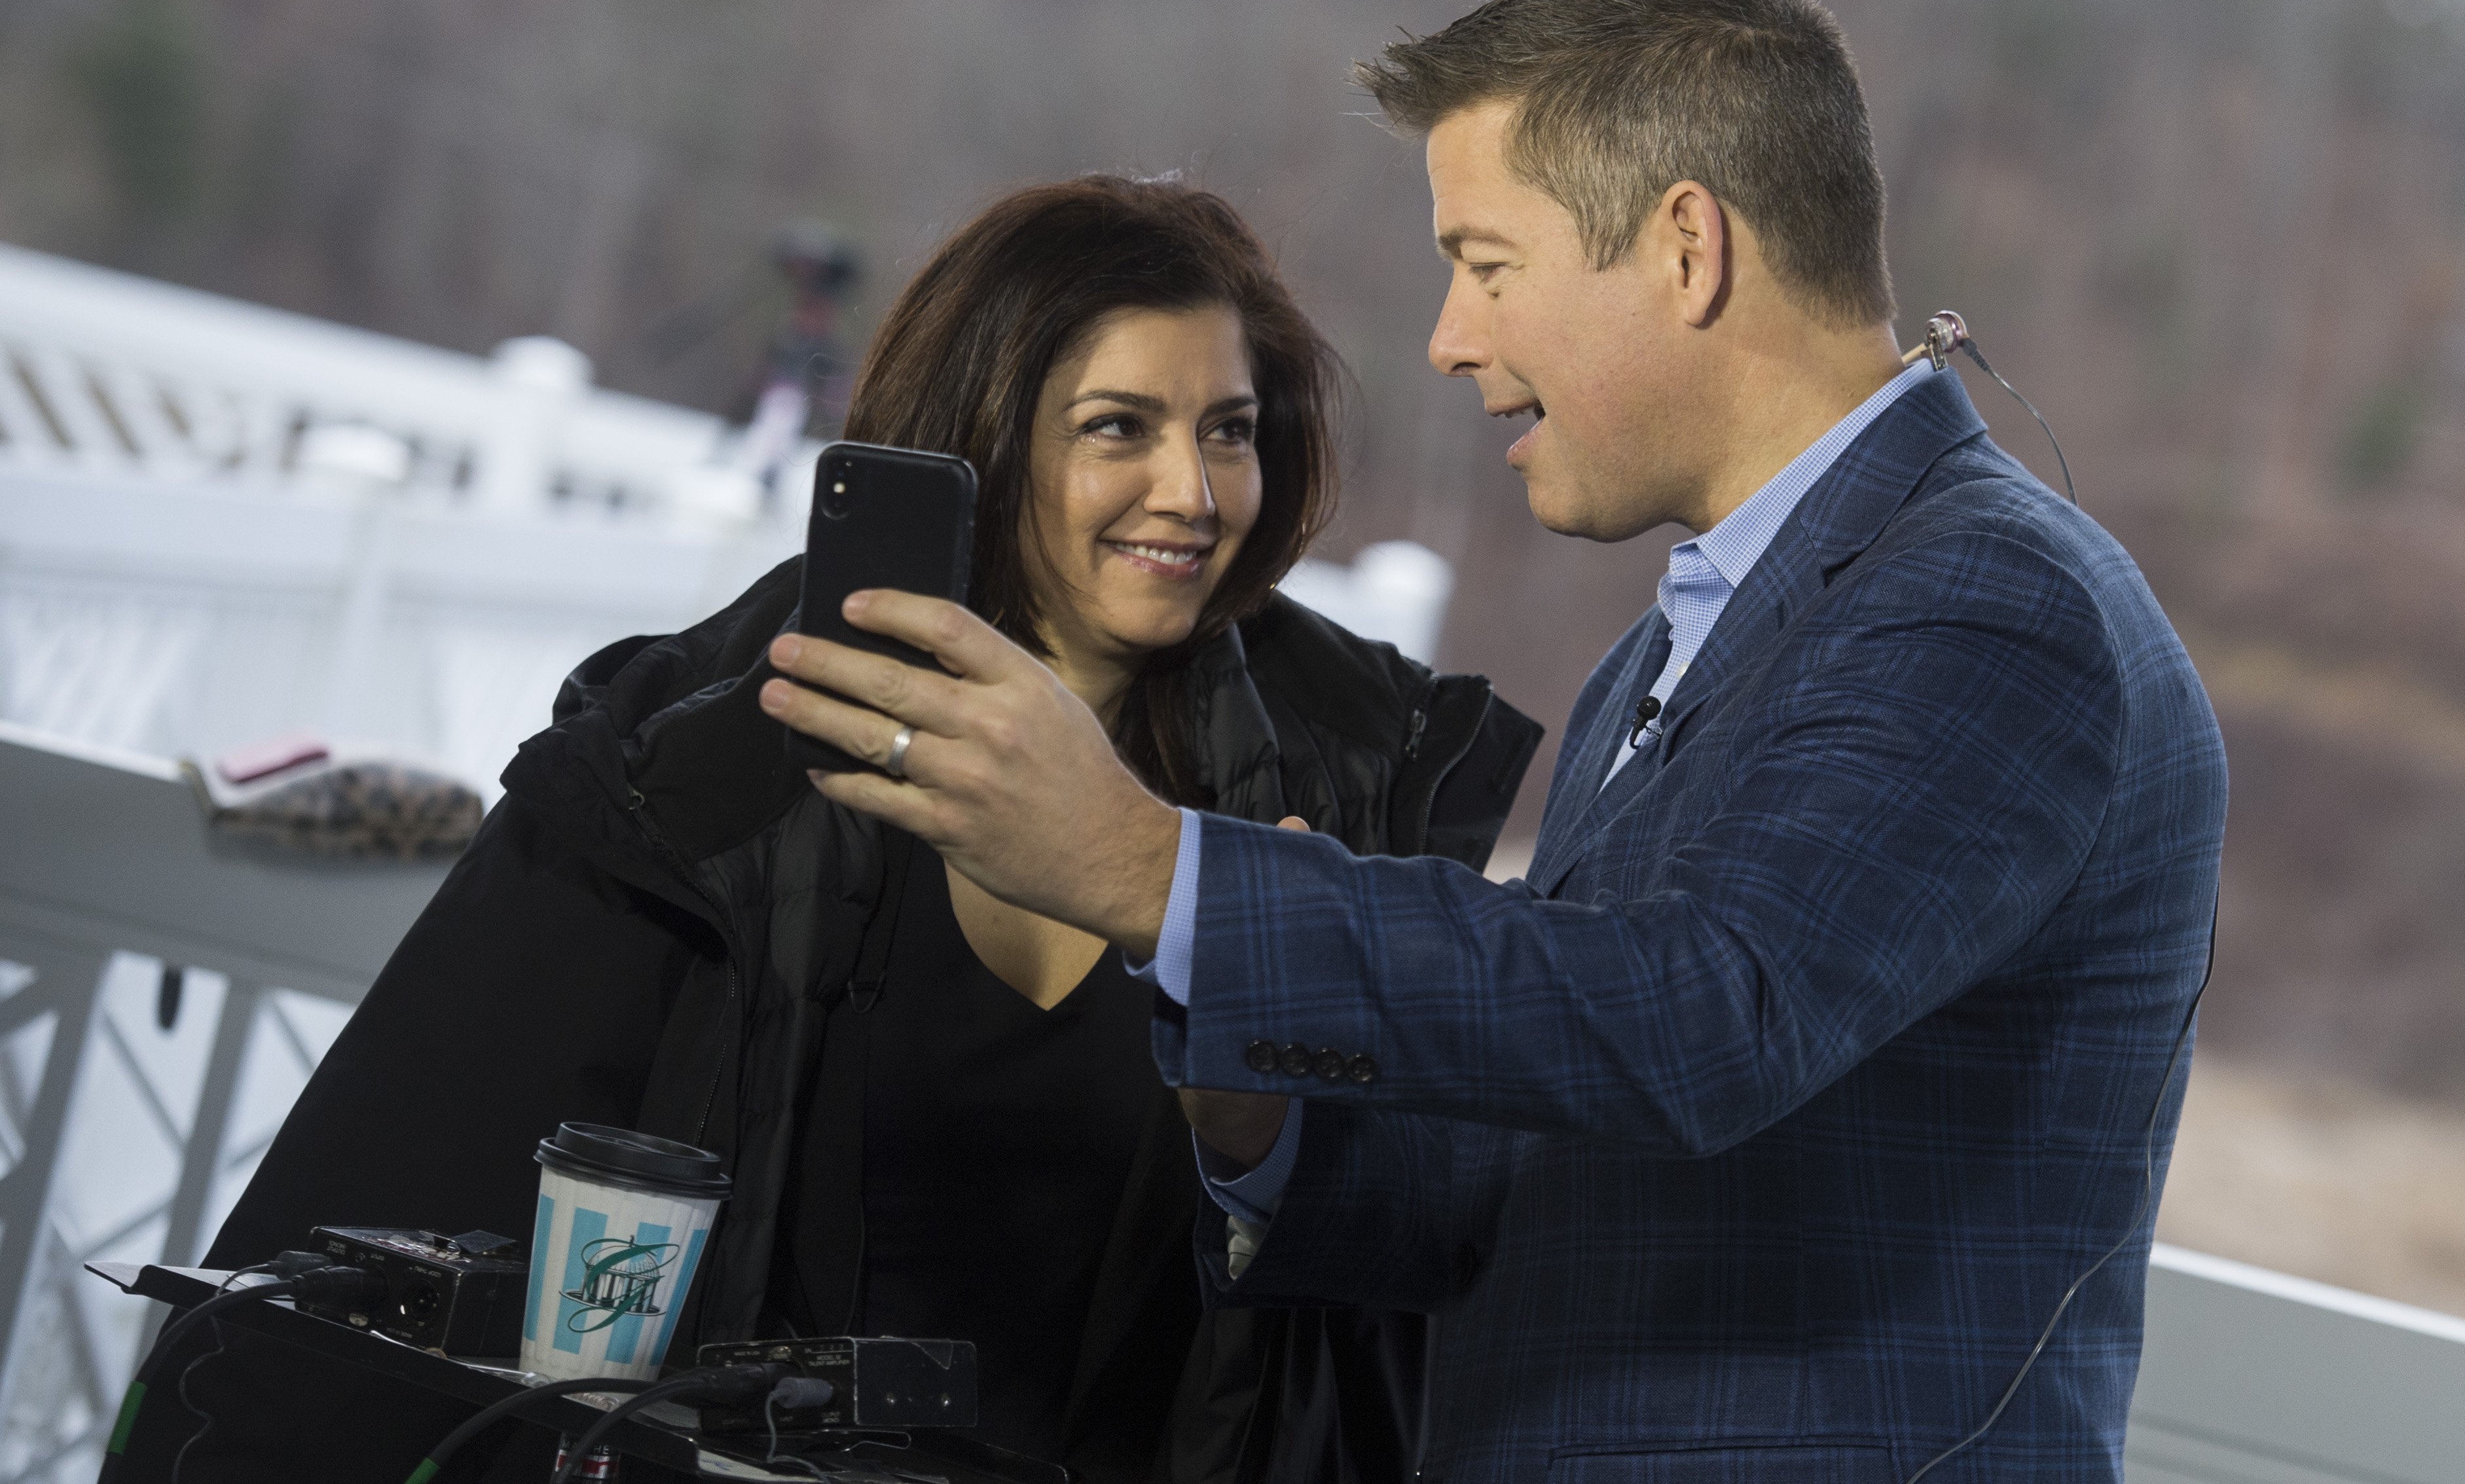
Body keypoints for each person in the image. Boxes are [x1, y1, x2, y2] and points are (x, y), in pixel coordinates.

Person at [759, 0, 2228, 1483]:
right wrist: (1266, 1130)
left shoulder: (1990, 603)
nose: (1453, 336)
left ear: (1684, 250)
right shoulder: (1671, 652)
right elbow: (1540, 1177)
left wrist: (1150, 870)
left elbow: (1701, 1019)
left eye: (1489, 261)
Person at [168, 176, 1541, 1483]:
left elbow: (1412, 1289)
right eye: (1119, 428)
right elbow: (405, 1172)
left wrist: (1270, 1127)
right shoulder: (697, 760)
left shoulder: (1364, 796)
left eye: (1229, 430)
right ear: (986, 442)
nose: (1191, 491)